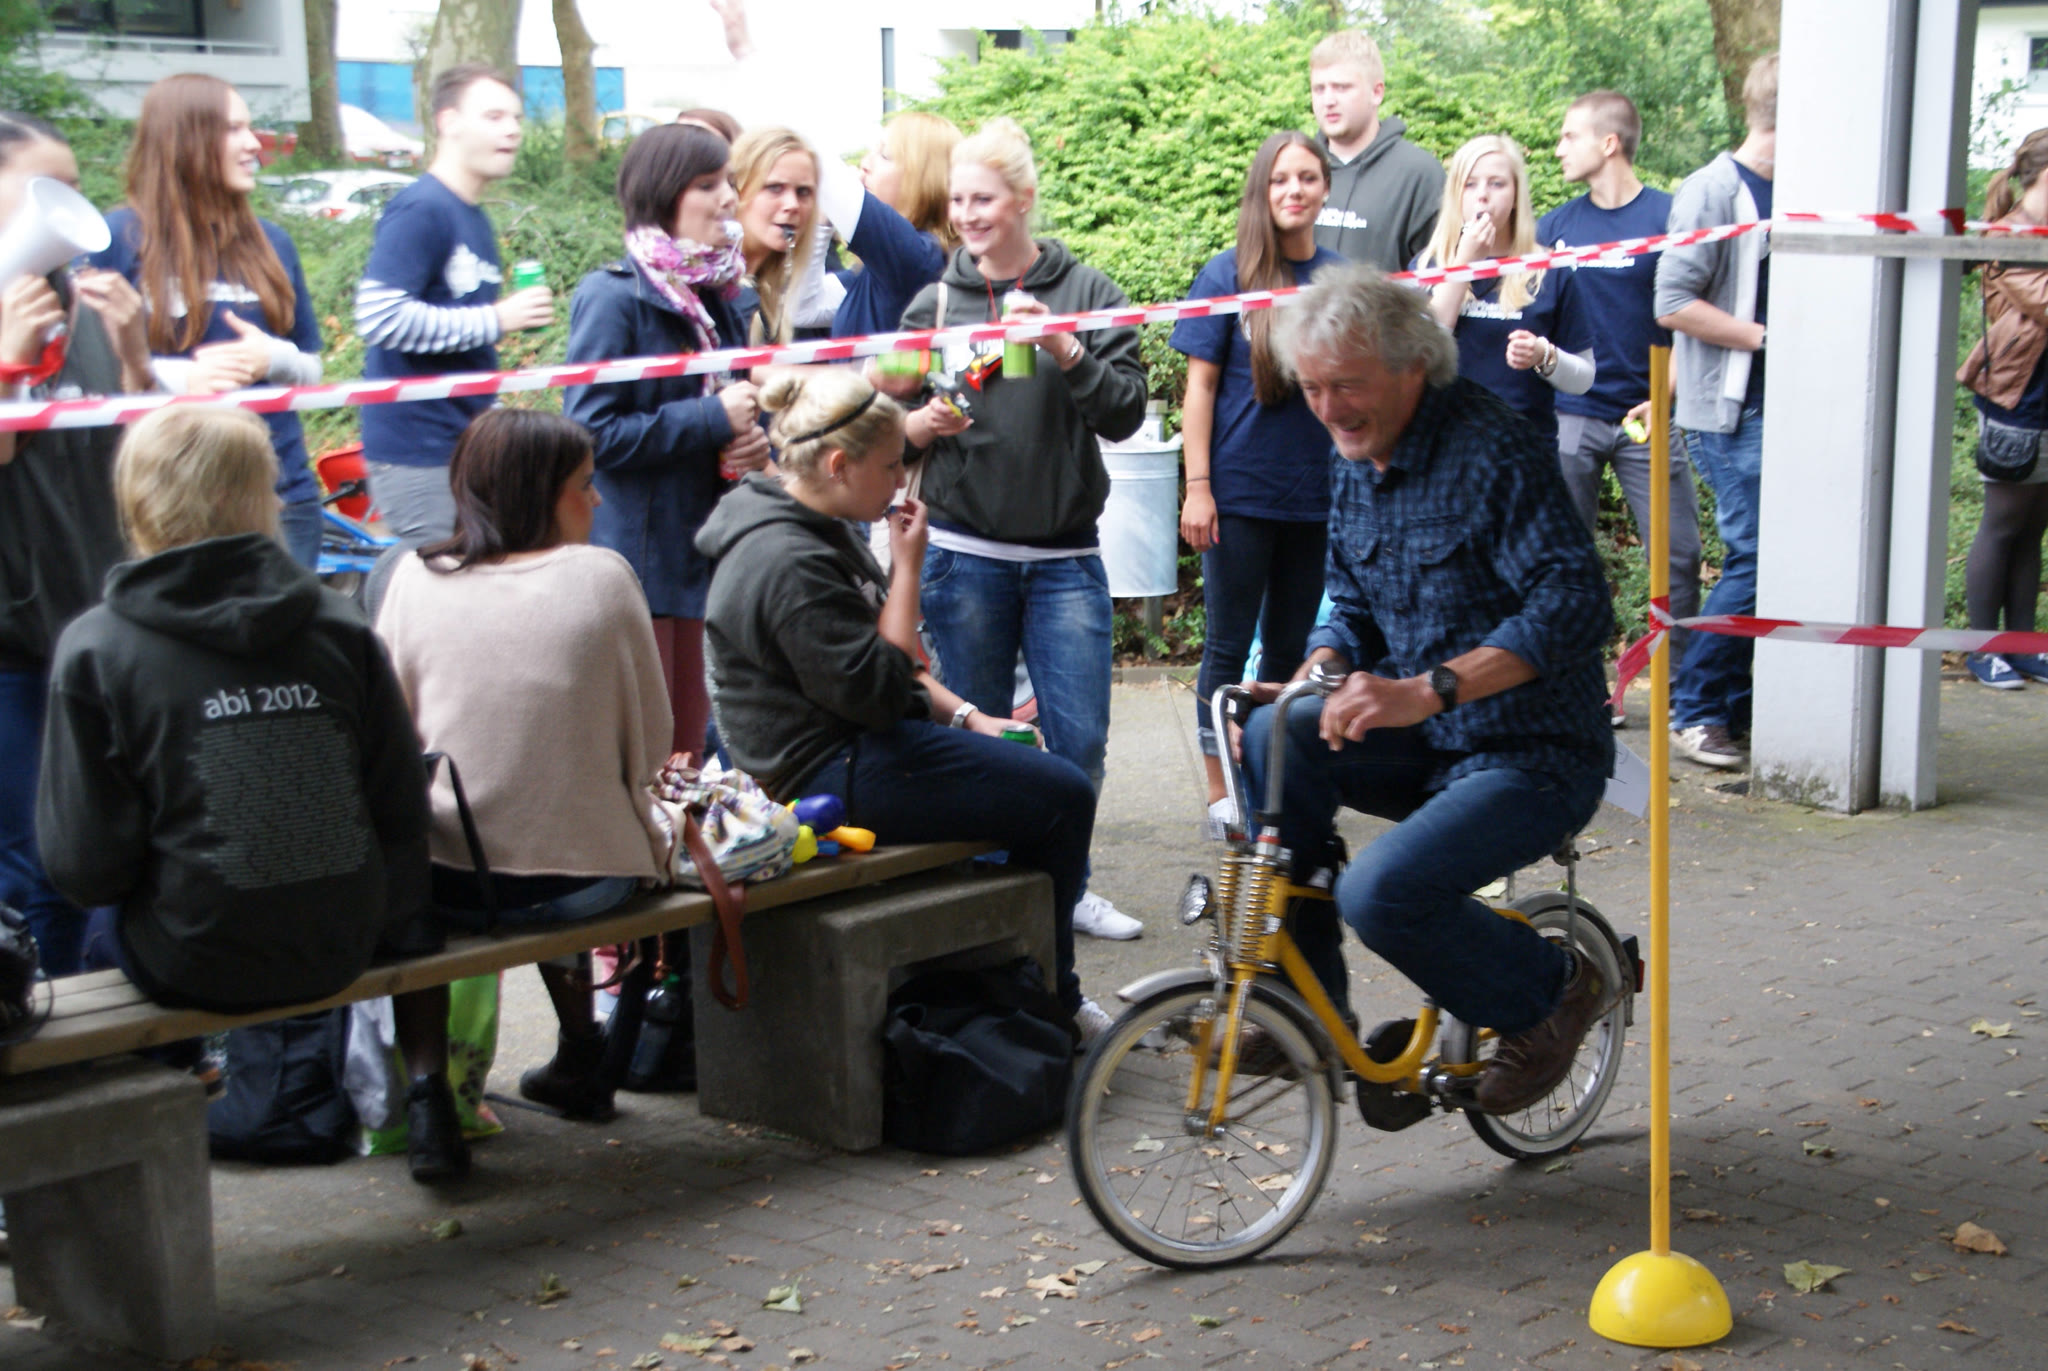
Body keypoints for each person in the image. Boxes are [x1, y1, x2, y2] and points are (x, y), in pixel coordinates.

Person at [1237, 265, 1615, 1115]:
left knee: (1381, 894)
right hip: (1431, 747)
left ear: (1413, 366)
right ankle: (1307, 1004)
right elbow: (1352, 606)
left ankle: (1555, 990)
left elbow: (1576, 603)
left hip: (1533, 754)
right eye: (1312, 388)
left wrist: (1427, 690)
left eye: (1346, 385)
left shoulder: (1493, 448)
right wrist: (1317, 674)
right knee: (1273, 737)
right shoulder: (1353, 457)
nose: (1328, 409)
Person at [697, 369, 1111, 1037]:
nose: (900, 482)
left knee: (1038, 781)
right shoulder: (787, 559)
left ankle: (999, 978)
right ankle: (1051, 997)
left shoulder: (811, 518)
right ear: (838, 465)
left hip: (850, 738)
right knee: (1063, 795)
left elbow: (883, 668)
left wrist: (971, 717)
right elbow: (884, 693)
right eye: (891, 465)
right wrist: (908, 570)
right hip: (819, 771)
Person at [34, 405, 431, 1030]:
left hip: (190, 960)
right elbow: (402, 807)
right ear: (259, 497)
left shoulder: (97, 647)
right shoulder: (339, 624)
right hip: (342, 941)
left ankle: (177, 1073)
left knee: (96, 933)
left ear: (136, 499)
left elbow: (85, 869)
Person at [375, 408, 673, 1132]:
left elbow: (388, 738)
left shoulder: (412, 577)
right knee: (555, 834)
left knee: (420, 893)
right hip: (585, 884)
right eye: (585, 484)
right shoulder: (602, 577)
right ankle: (582, 1050)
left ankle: (428, 1097)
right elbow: (654, 742)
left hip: (452, 883)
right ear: (539, 493)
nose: (597, 499)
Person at [891, 117, 1150, 942]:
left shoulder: (1091, 292)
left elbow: (1126, 413)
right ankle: (996, 904)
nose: (967, 216)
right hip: (963, 557)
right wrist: (919, 422)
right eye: (958, 200)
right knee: (982, 745)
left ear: (1025, 199)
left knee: (1081, 740)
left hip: (1066, 557)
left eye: (984, 199)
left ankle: (1066, 888)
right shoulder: (933, 303)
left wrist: (1067, 351)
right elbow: (883, 418)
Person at [0, 114, 153, 978]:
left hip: (95, 620)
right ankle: (44, 1027)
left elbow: (138, 451)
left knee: (105, 845)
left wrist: (133, 357)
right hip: (14, 644)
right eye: (42, 188)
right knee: (37, 861)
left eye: (72, 185)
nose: (67, 207)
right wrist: (7, 364)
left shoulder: (79, 300)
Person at [564, 124, 767, 761]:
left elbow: (737, 406)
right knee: (650, 753)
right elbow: (590, 433)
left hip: (707, 552)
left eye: (729, 181)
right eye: (709, 185)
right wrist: (711, 420)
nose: (729, 198)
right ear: (663, 195)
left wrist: (752, 443)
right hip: (640, 563)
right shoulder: (612, 296)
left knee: (690, 753)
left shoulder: (722, 295)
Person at [1171, 131, 1345, 838]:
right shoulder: (1227, 275)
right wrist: (1198, 486)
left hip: (1316, 500)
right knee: (1226, 646)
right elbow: (1200, 388)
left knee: (1287, 652)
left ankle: (1268, 783)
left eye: (1307, 178)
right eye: (1280, 179)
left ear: (1325, 189)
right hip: (1238, 495)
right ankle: (1223, 797)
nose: (1294, 190)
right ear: (1261, 191)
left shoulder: (1340, 278)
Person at [90, 74, 326, 569]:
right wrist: (180, 380)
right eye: (234, 129)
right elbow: (86, 377)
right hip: (169, 500)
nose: (253, 143)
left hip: (279, 495)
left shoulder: (274, 242)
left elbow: (314, 369)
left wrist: (274, 358)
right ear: (186, 139)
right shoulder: (116, 238)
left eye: (250, 128)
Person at [1539, 91, 1701, 721]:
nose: (1559, 148)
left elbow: (1693, 316)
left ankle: (1677, 690)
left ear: (1609, 144)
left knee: (1678, 556)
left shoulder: (1670, 216)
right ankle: (1582, 690)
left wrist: (1664, 397)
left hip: (1648, 414)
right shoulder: (1554, 228)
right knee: (1567, 560)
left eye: (1569, 135)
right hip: (1571, 416)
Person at [354, 64, 554, 544]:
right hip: (419, 452)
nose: (512, 130)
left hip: (469, 446)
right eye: (493, 116)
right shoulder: (421, 208)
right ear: (449, 122)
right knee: (443, 582)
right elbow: (379, 317)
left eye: (517, 118)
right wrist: (497, 319)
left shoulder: (473, 217)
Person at [1655, 52, 1776, 769]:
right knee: (1755, 555)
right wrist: (1765, 339)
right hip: (1729, 412)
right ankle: (1697, 708)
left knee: (1774, 561)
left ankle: (1731, 703)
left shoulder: (1798, 190)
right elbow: (1671, 301)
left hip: (1783, 409)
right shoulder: (1713, 190)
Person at [707, 0, 960, 339]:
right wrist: (823, 223)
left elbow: (820, 164)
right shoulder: (879, 270)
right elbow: (804, 307)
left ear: (923, 180)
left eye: (884, 156)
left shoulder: (916, 257)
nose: (865, 163)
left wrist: (746, 53)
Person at [1415, 135, 1592, 455]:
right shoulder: (1428, 265)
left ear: (1516, 196)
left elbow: (1584, 378)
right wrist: (1462, 264)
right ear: (1455, 194)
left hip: (1523, 452)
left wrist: (1544, 356)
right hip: (1444, 448)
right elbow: (1422, 354)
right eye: (1470, 184)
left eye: (1496, 184)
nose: (1482, 195)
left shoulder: (1549, 269)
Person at [1957, 128, 2048, 690]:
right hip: (2016, 396)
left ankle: (2023, 646)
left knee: (2033, 529)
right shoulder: (2011, 235)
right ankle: (1981, 649)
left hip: (2042, 396)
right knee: (2002, 524)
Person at [1309, 29, 1444, 273]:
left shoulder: (1419, 174)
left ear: (1377, 92)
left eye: (1341, 87)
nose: (1328, 100)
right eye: (1319, 89)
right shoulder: (1295, 171)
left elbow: (1440, 278)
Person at [729, 126, 820, 347]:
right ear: (737, 190)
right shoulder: (709, 286)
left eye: (803, 192)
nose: (792, 205)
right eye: (774, 188)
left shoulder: (776, 288)